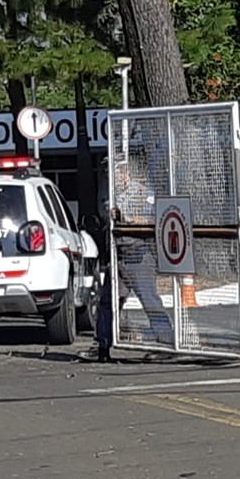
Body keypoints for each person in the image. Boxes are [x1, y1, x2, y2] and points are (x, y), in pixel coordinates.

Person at [91, 154, 173, 362]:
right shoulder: (111, 195)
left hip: (138, 253)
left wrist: (126, 218)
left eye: (118, 171)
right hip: (118, 253)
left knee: (150, 301)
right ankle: (102, 344)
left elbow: (149, 219)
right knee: (108, 302)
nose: (114, 175)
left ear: (127, 172)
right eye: (111, 171)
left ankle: (166, 344)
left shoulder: (141, 193)